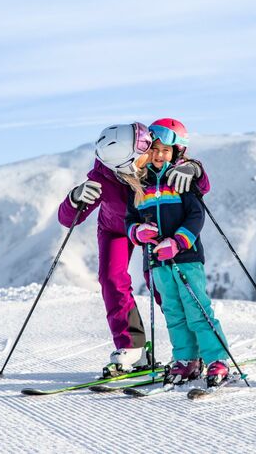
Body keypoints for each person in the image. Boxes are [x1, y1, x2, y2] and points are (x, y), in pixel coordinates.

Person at [57, 121, 210, 376]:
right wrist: (76, 197)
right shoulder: (103, 177)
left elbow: (198, 187)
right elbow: (67, 219)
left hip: (153, 227)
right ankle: (132, 348)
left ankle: (194, 348)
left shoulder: (150, 157)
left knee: (161, 284)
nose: (150, 155)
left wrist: (194, 169)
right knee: (111, 278)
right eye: (143, 154)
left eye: (148, 149)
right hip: (116, 229)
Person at [123, 119, 231, 388]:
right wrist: (137, 232)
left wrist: (179, 242)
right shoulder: (140, 183)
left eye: (166, 151)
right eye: (155, 149)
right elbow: (130, 218)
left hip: (186, 257)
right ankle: (185, 359)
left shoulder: (181, 181)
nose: (159, 156)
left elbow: (196, 215)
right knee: (173, 311)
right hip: (157, 261)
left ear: (177, 153)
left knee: (197, 309)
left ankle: (217, 358)